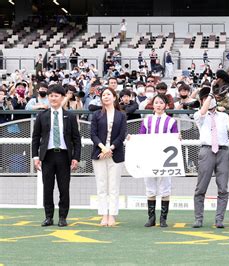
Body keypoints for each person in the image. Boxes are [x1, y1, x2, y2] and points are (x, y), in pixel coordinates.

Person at [32, 84, 81, 227]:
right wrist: (36, 157)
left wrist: (75, 157)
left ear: (63, 97)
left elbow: (76, 139)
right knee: (47, 187)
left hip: (64, 156)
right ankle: (48, 216)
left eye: (56, 96)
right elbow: (36, 138)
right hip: (47, 156)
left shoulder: (70, 116)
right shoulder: (42, 116)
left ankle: (63, 217)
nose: (53, 98)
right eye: (51, 96)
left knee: (64, 188)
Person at [135, 94, 179, 227]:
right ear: (152, 105)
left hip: (165, 159)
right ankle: (151, 218)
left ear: (165, 105)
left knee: (165, 185)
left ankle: (163, 219)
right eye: (156, 103)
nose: (158, 105)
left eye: (161, 103)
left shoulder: (171, 121)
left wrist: (178, 139)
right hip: (150, 157)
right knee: (150, 186)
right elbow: (141, 138)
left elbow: (175, 139)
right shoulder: (147, 121)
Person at [192, 87, 229, 229]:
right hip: (207, 150)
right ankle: (198, 219)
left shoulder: (224, 116)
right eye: (208, 98)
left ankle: (219, 219)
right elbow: (203, 111)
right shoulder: (199, 115)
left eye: (213, 97)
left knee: (223, 188)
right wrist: (210, 94)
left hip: (223, 151)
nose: (212, 100)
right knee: (201, 187)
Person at [90, 87, 127, 226]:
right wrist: (103, 148)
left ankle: (112, 214)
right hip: (99, 153)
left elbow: (121, 135)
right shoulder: (97, 115)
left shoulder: (121, 115)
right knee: (101, 185)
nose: (106, 97)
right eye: (103, 95)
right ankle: (103, 214)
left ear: (114, 97)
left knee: (113, 186)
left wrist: (110, 148)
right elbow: (93, 134)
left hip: (115, 153)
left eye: (108, 94)